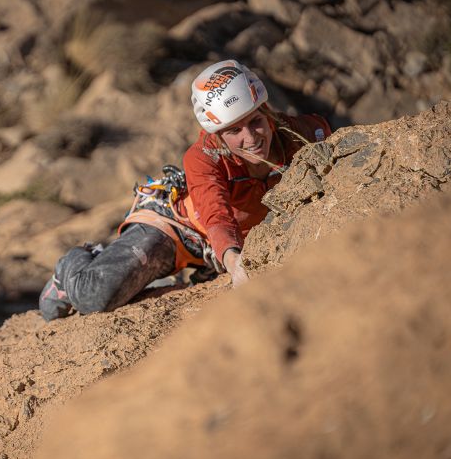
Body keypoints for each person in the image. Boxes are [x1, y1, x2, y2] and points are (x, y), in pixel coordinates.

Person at [39, 59, 331, 320]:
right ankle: (72, 266)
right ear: (217, 134)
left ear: (267, 112)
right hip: (178, 229)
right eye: (234, 131)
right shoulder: (202, 157)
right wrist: (235, 262)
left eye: (256, 121)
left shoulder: (304, 133)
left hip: (233, 242)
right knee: (91, 296)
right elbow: (216, 215)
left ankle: (178, 276)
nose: (251, 137)